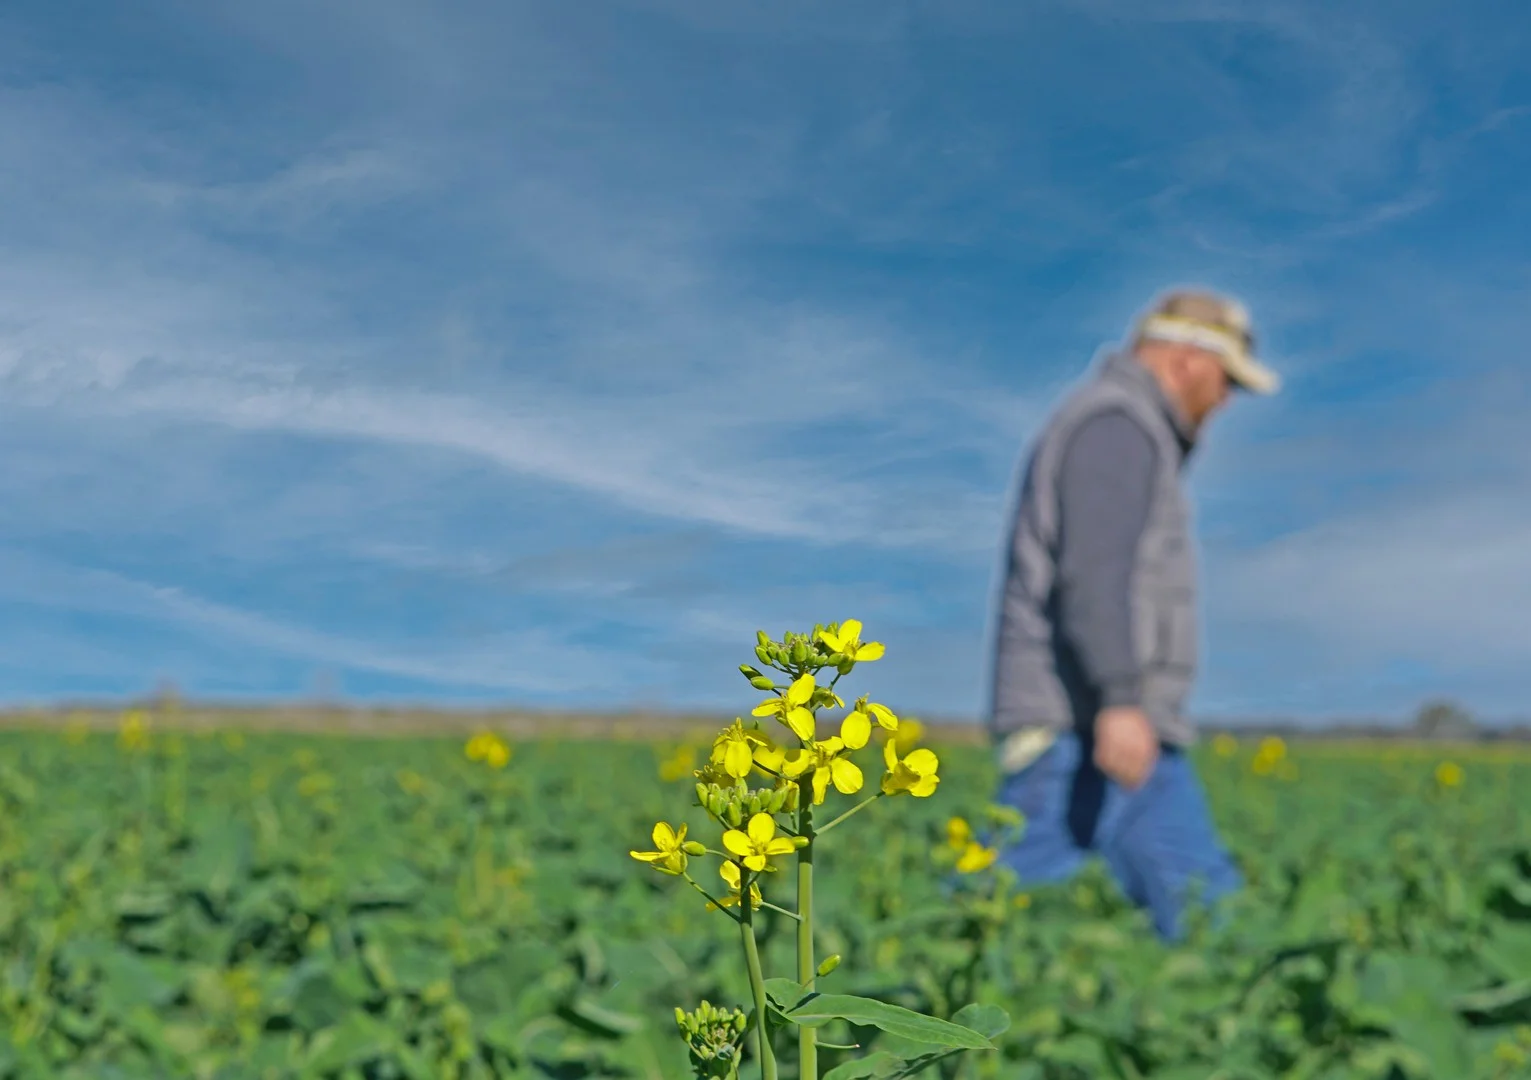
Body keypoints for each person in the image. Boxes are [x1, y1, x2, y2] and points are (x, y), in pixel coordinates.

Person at [986, 288, 1279, 941]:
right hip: (1087, 724)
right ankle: (877, 1030)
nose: (1225, 400)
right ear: (1189, 360)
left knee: (1204, 910)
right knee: (986, 922)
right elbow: (1093, 570)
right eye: (1227, 380)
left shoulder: (1120, 424)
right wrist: (1120, 698)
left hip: (1100, 724)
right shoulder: (1116, 426)